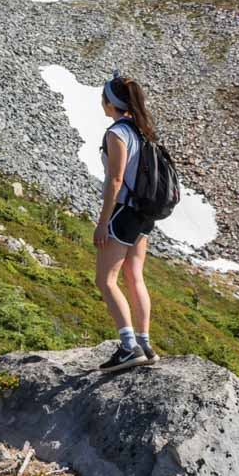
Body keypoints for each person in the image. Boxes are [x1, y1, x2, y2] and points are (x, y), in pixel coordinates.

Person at [94, 74, 160, 373]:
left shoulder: (117, 133)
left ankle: (128, 346)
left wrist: (103, 221)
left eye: (104, 97)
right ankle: (145, 343)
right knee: (135, 277)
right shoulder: (142, 130)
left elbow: (116, 180)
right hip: (144, 215)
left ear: (111, 102)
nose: (101, 102)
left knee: (106, 280)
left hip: (124, 212)